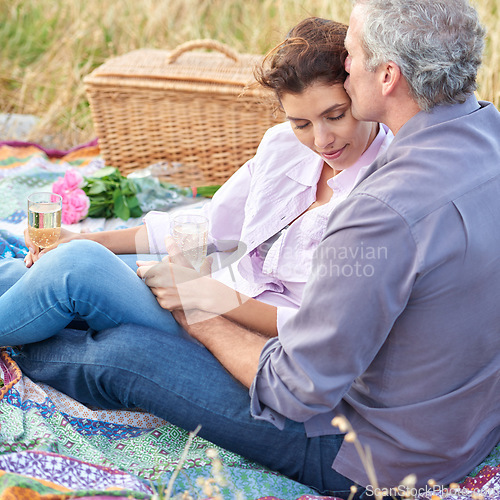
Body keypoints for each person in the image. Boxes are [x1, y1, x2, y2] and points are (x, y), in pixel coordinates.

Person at [7, 0, 500, 496]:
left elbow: (297, 386)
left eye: (351, 52)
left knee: (118, 338)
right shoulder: (486, 134)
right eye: (302, 123)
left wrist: (200, 311)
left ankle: (22, 336)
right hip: (448, 425)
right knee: (70, 273)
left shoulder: (380, 210)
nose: (346, 64)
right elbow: (214, 229)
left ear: (387, 74)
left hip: (367, 450)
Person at [0, 18, 392, 344]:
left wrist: (206, 297)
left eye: (336, 115)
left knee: (78, 270)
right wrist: (86, 236)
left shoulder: (385, 191)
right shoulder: (282, 146)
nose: (321, 140)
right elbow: (208, 225)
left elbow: (324, 328)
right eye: (302, 123)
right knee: (31, 269)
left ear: (363, 94)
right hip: (207, 286)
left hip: (239, 335)